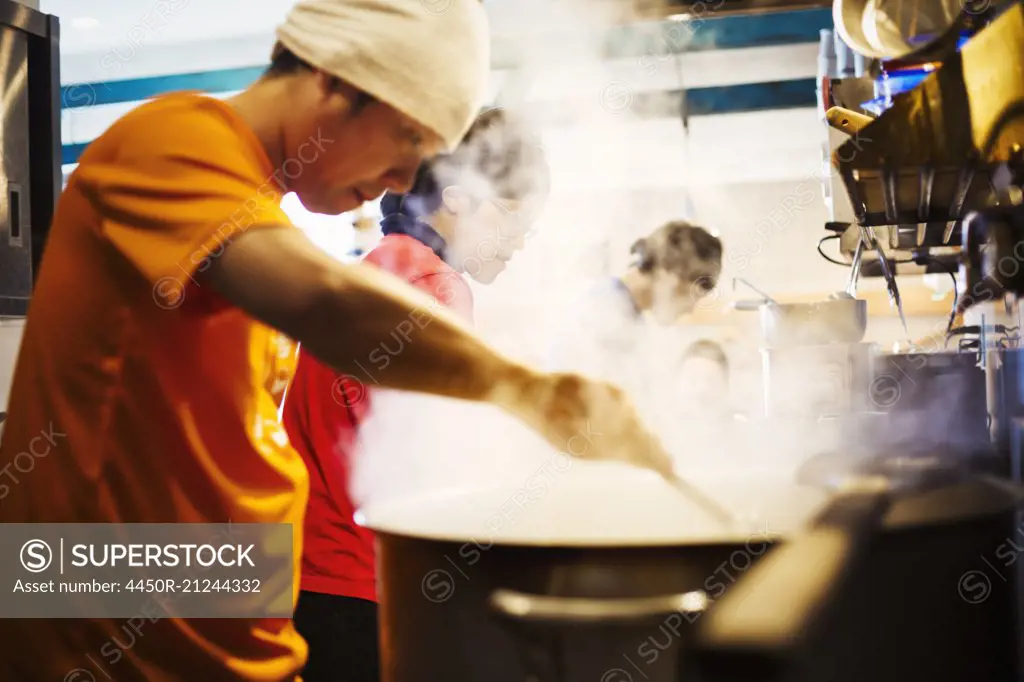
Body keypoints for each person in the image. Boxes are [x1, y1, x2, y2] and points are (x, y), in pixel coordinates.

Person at [0, 2, 671, 681]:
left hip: (231, 624)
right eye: (408, 141)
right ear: (334, 81)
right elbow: (329, 306)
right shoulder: (174, 142)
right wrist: (528, 391)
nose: (409, 183)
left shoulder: (253, 209)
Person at [282, 107, 549, 682]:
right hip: (373, 585)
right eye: (516, 216)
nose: (522, 240)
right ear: (458, 197)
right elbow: (444, 462)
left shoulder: (379, 268)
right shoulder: (434, 284)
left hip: (315, 577)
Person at [549, 220, 724, 391]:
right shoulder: (604, 308)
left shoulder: (628, 313)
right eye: (692, 296)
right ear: (670, 275)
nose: (690, 309)